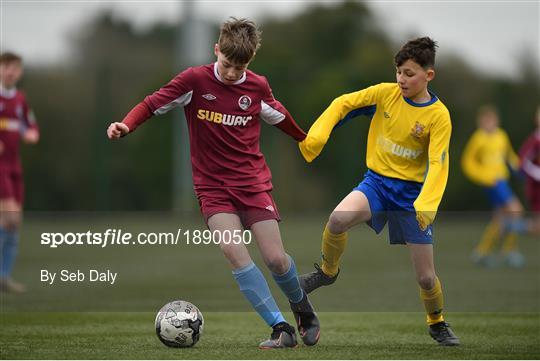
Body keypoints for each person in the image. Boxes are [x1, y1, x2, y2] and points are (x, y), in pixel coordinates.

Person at [107, 18, 319, 349]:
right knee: (233, 251)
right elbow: (153, 103)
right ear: (216, 50)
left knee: (276, 259)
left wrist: (306, 141)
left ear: (249, 62)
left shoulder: (257, 86)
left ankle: (304, 313)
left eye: (240, 66)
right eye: (227, 64)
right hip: (213, 188)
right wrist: (127, 124)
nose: (233, 72)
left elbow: (279, 116)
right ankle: (281, 328)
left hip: (252, 184)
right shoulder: (194, 80)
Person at [297, 37, 460, 346]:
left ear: (429, 75)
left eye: (409, 73)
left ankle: (436, 322)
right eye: (398, 71)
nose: (401, 79)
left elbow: (439, 161)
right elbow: (344, 103)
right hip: (377, 184)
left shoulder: (439, 116)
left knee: (426, 278)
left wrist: (427, 202)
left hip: (412, 197)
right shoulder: (385, 94)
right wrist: (317, 136)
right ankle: (328, 272)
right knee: (336, 220)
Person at [461, 105, 525, 268]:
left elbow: (509, 156)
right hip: (493, 183)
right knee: (516, 210)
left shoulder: (501, 136)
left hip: (502, 180)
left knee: (501, 218)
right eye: (485, 121)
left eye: (491, 120)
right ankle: (509, 251)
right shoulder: (478, 138)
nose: (489, 123)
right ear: (480, 122)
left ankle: (482, 252)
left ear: (497, 121)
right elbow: (467, 162)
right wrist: (482, 176)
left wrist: (521, 168)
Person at [0, 52, 39, 293]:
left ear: (20, 72)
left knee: (14, 223)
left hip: (15, 166)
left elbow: (30, 124)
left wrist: (31, 133)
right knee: (10, 216)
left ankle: (4, 276)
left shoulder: (20, 99)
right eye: (6, 67)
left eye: (15, 67)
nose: (11, 71)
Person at [518, 106, 540, 235]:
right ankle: (512, 227)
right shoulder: (534, 141)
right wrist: (537, 173)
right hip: (536, 189)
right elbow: (522, 163)